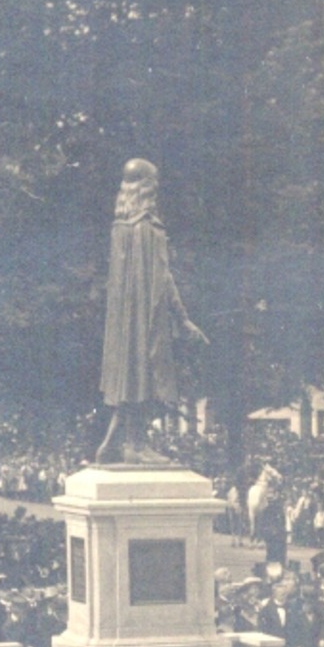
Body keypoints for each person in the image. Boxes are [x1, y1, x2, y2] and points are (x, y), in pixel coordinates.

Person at [93, 157, 208, 464]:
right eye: (153, 184)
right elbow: (163, 277)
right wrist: (182, 319)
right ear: (146, 187)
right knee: (146, 377)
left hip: (123, 324)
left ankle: (112, 444)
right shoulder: (149, 228)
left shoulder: (120, 228)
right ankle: (135, 444)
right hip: (148, 318)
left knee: (129, 377)